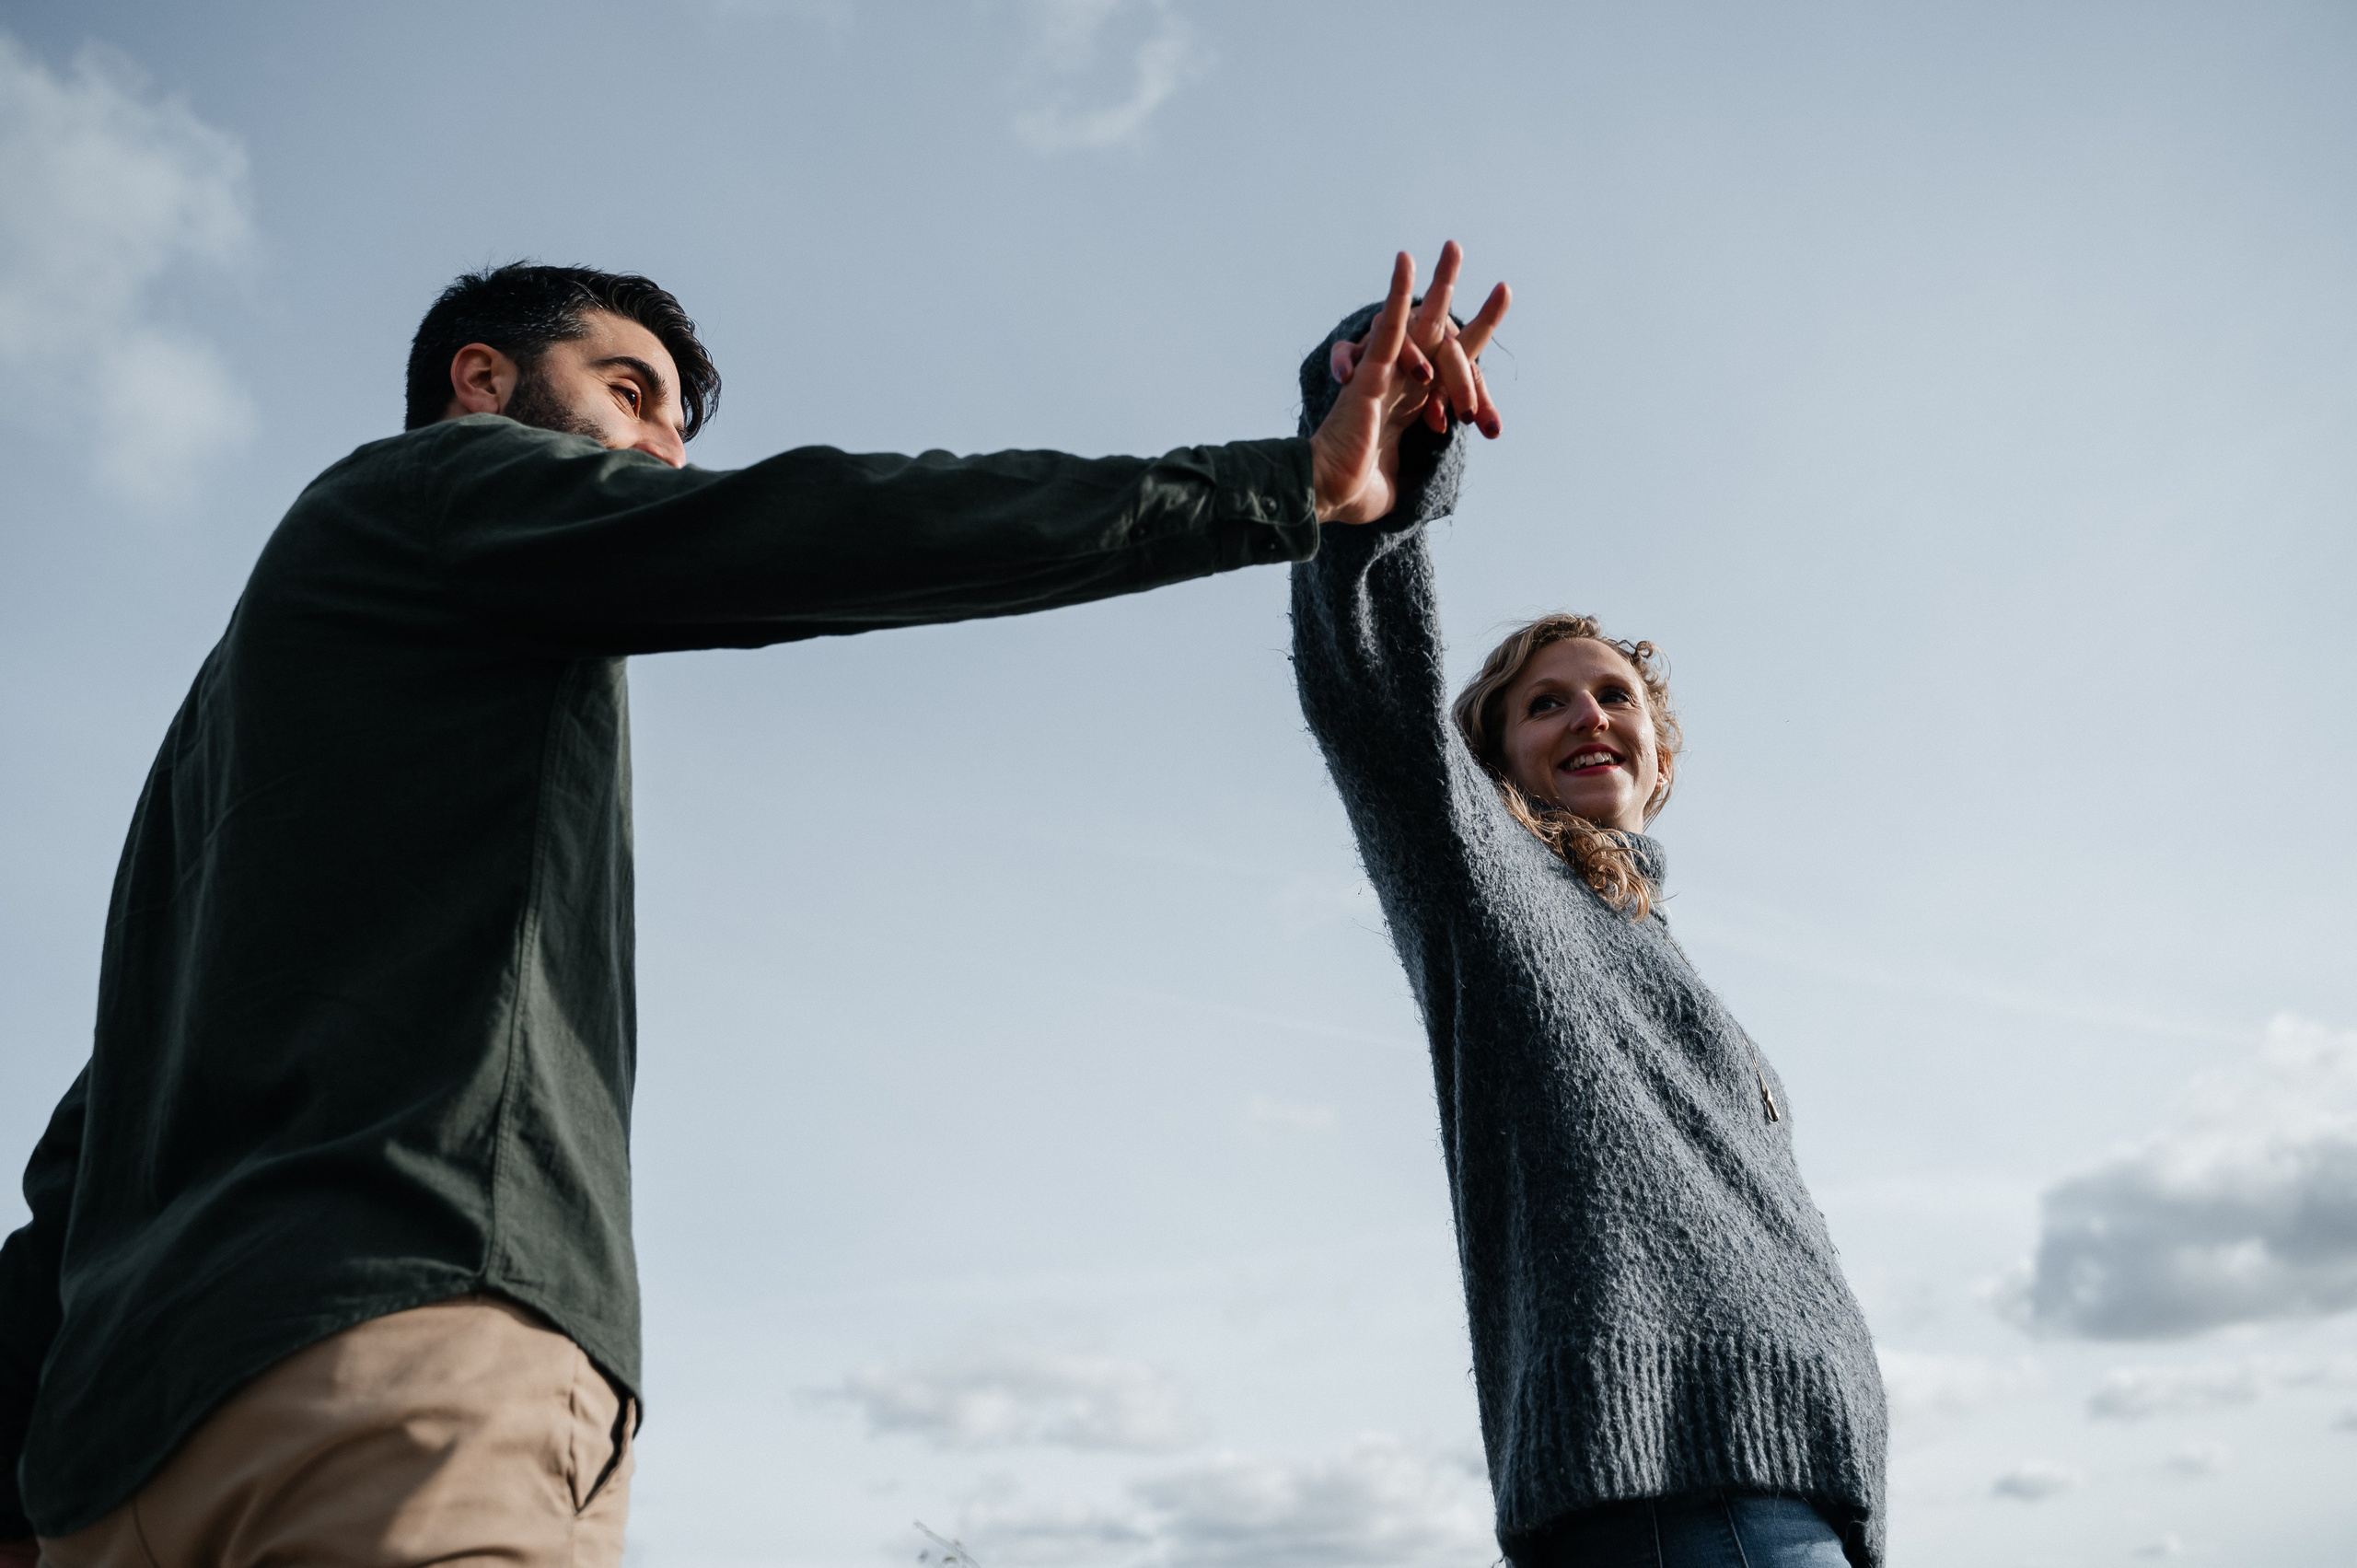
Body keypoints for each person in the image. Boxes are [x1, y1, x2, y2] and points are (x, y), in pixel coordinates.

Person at [0, 247, 1509, 1568]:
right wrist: (1287, 486)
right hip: (394, 1366)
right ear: (482, 380)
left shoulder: (227, 739)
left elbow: (88, 1141)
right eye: (630, 392)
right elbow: (823, 525)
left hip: (118, 1470)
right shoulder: (439, 490)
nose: (666, 448)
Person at [1291, 303, 1887, 1566]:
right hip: (1679, 1497)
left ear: (1660, 756)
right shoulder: (1489, 882)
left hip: (1798, 1488)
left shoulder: (1672, 966)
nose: (1588, 716)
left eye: (1615, 695)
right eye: (1544, 704)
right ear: (1493, 765)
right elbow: (1378, 706)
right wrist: (1384, 460)